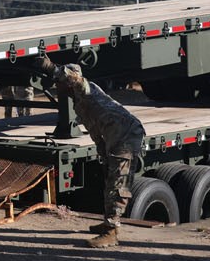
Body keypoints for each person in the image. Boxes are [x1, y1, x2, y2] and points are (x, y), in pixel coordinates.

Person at [54, 63, 146, 247]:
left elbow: (77, 79)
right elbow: (94, 128)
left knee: (118, 184)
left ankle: (111, 233)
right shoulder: (78, 101)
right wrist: (102, 149)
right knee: (109, 180)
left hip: (127, 136)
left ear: (70, 82)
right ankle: (108, 224)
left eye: (59, 82)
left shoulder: (86, 89)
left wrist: (50, 65)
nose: (57, 86)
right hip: (114, 137)